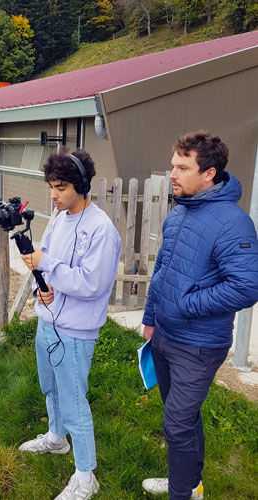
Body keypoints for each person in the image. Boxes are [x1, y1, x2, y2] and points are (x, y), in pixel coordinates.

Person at [141, 131, 258, 500]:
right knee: (183, 420)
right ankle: (190, 483)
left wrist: (187, 305)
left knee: (176, 424)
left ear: (209, 173)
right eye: (172, 165)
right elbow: (162, 269)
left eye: (182, 167)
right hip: (164, 335)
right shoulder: (180, 213)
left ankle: (184, 494)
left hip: (199, 345)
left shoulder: (232, 222)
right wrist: (151, 316)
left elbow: (246, 286)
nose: (172, 174)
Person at [18, 149, 121, 500]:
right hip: (47, 322)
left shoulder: (101, 230)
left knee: (75, 401)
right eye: (50, 187)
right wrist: (38, 288)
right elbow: (40, 261)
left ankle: (85, 476)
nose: (53, 195)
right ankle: (56, 439)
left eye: (60, 187)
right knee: (51, 387)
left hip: (75, 332)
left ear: (80, 185)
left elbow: (92, 286)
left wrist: (50, 268)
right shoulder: (59, 218)